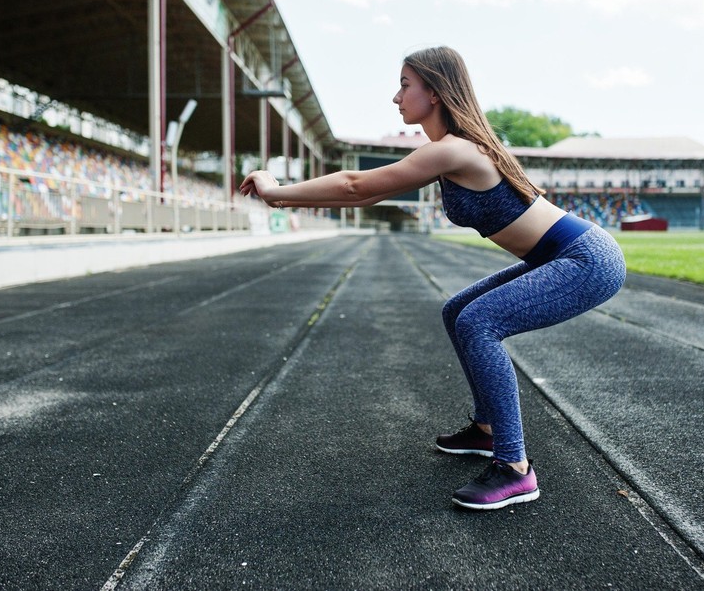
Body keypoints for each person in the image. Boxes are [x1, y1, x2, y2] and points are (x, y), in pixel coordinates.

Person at [240, 46, 626, 510]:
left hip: (585, 258)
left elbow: (354, 185)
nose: (396, 96)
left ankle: (515, 468)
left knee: (479, 322)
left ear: (436, 92)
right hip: (558, 254)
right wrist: (284, 199)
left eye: (405, 85)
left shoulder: (455, 151)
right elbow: (366, 197)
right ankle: (486, 431)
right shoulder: (445, 152)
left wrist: (277, 191)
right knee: (458, 310)